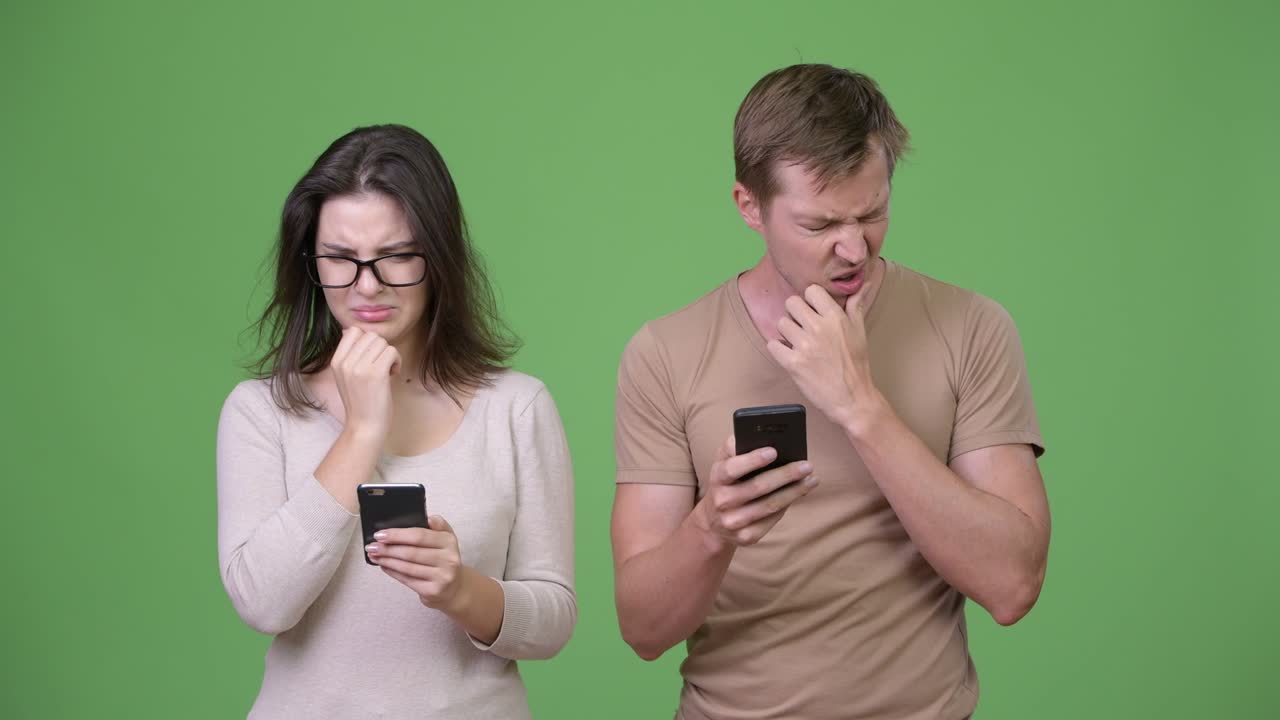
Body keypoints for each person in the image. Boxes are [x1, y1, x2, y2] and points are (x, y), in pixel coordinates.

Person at [611, 64, 1050, 720]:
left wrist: (860, 405)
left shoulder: (970, 327)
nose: (854, 247)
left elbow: (1013, 585)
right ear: (748, 206)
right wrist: (712, 527)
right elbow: (643, 629)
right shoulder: (665, 353)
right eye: (819, 225)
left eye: (872, 213)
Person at [216, 124, 575, 719]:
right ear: (312, 262)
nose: (367, 286)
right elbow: (262, 603)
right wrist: (361, 434)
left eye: (396, 257)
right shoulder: (261, 411)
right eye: (340, 259)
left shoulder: (515, 406)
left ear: (438, 257)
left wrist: (461, 589)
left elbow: (554, 621)